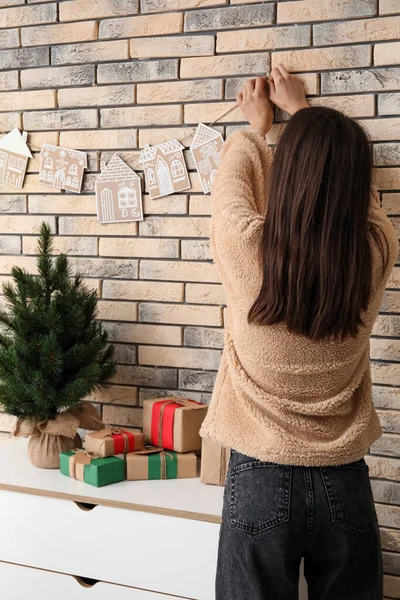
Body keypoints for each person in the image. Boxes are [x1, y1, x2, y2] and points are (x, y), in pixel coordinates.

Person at [199, 65, 398, 600]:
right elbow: (368, 205)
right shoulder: (376, 255)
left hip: (260, 478)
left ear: (287, 174)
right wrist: (306, 115)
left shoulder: (246, 249)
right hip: (344, 483)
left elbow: (229, 194)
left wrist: (258, 127)